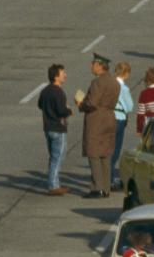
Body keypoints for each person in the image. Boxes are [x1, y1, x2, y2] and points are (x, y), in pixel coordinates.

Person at [78, 53, 120, 198]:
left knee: (94, 153)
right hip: (109, 117)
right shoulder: (114, 81)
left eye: (93, 64)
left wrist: (81, 104)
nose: (91, 66)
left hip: (96, 119)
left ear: (99, 66)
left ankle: (97, 188)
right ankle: (106, 188)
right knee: (106, 154)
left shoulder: (97, 82)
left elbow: (92, 103)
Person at [37, 64, 72, 196]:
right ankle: (53, 185)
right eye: (63, 73)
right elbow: (61, 111)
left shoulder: (45, 91)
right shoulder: (58, 92)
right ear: (56, 76)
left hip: (48, 127)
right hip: (58, 128)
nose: (65, 75)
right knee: (58, 157)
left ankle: (55, 182)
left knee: (53, 156)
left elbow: (40, 105)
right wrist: (69, 110)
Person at [109, 62, 134, 191]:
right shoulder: (123, 88)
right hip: (119, 119)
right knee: (115, 151)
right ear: (126, 73)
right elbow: (129, 107)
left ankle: (107, 177)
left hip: (108, 118)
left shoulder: (109, 84)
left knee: (107, 149)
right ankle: (111, 178)